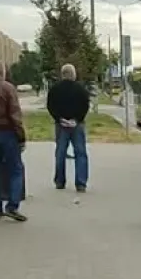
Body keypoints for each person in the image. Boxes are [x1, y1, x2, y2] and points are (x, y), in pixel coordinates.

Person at [0, 59, 27, 222]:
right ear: (2, 72)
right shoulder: (7, 88)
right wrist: (21, 136)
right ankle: (12, 206)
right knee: (15, 169)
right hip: (7, 133)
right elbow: (15, 115)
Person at [46, 64, 90, 192]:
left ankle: (60, 181)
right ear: (73, 74)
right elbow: (85, 105)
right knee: (80, 153)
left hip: (61, 125)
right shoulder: (80, 89)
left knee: (60, 153)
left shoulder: (55, 89)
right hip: (77, 125)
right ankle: (81, 183)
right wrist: (77, 119)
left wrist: (59, 118)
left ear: (62, 74)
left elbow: (50, 105)